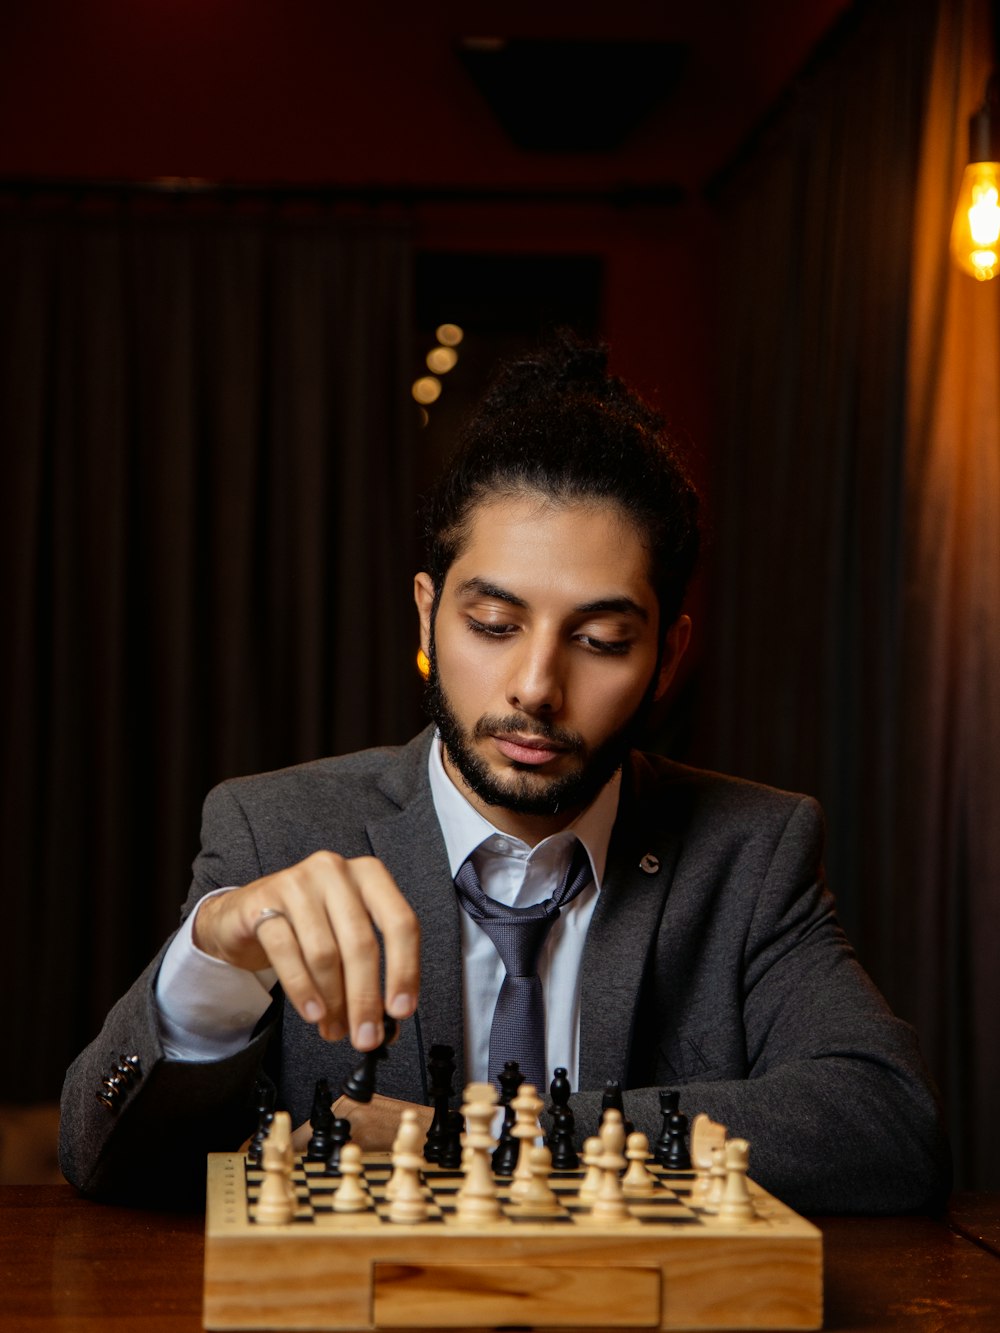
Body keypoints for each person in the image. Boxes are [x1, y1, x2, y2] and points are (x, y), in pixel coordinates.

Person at [59, 335, 950, 1214]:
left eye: (601, 641)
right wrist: (212, 957)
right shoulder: (273, 829)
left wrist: (485, 1133)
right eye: (492, 623)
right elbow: (100, 1157)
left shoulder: (752, 853)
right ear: (426, 617)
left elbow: (887, 1124)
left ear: (667, 657)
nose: (536, 686)